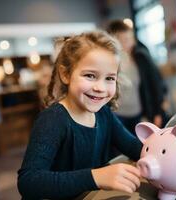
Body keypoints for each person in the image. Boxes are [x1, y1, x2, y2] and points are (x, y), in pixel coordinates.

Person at [18, 31, 143, 200]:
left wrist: (163, 149)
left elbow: (132, 147)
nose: (100, 87)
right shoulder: (53, 119)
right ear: (66, 74)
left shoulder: (104, 113)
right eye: (90, 76)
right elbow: (29, 182)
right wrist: (96, 177)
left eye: (109, 78)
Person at [106, 20, 166, 132]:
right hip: (116, 115)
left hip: (138, 114)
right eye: (122, 40)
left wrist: (157, 112)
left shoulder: (141, 57)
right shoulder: (107, 62)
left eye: (129, 39)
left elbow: (155, 85)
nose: (128, 44)